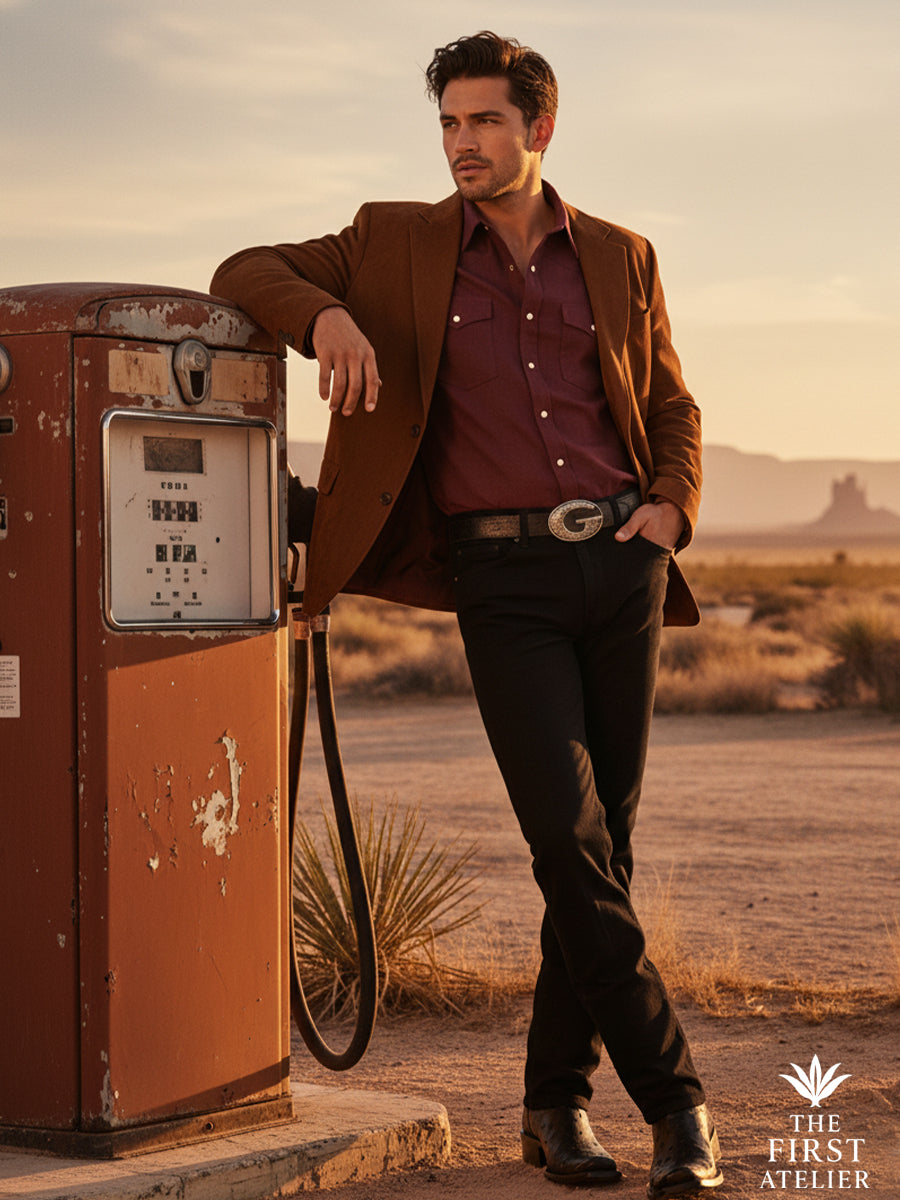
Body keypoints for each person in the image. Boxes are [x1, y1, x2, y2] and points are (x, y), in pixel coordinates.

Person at [211, 31, 721, 1198]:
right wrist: (324, 322)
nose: (461, 146)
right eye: (447, 124)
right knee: (570, 843)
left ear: (539, 128)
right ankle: (679, 1106)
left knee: (601, 854)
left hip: (620, 570)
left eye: (483, 122)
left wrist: (670, 510)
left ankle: (555, 1107)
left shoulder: (621, 255)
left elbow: (673, 401)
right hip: (502, 583)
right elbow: (243, 266)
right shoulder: (390, 240)